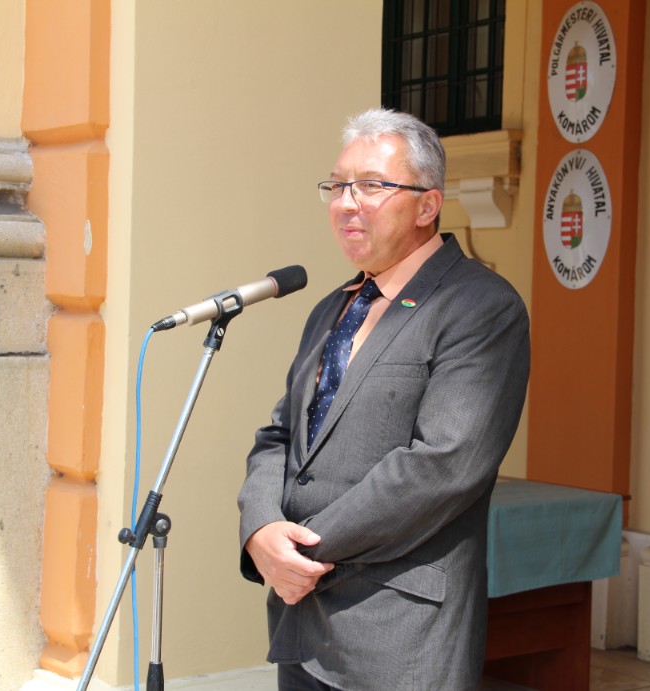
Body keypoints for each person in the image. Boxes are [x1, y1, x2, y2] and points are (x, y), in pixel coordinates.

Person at [237, 108, 531, 691]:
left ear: (427, 206)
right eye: (337, 186)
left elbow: (445, 464)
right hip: (302, 626)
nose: (347, 203)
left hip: (399, 632)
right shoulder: (334, 306)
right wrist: (262, 529)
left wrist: (302, 550)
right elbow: (280, 436)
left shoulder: (479, 306)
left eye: (371, 185)